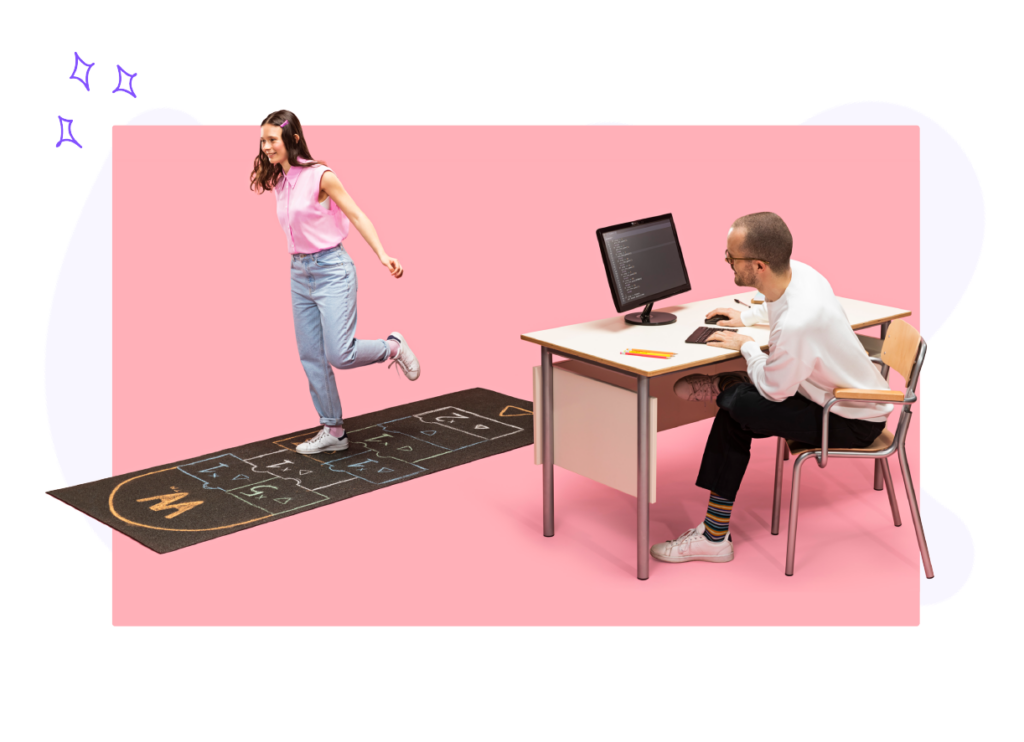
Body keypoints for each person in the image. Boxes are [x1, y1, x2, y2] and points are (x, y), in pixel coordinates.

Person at [651, 212, 891, 564]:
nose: (727, 262)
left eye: (732, 257)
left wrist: (745, 345)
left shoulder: (797, 325)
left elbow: (775, 392)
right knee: (734, 412)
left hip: (849, 419)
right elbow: (781, 306)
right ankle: (714, 535)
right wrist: (747, 317)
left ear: (759, 265)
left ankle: (728, 387)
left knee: (742, 407)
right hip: (830, 395)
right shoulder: (803, 274)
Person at [250, 109, 420, 455]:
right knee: (311, 356)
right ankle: (334, 430)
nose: (266, 147)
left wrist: (382, 254)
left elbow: (357, 214)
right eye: (263, 141)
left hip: (332, 270)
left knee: (339, 354)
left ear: (292, 140)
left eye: (272, 140)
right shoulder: (280, 181)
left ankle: (393, 346)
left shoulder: (321, 176)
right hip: (299, 274)